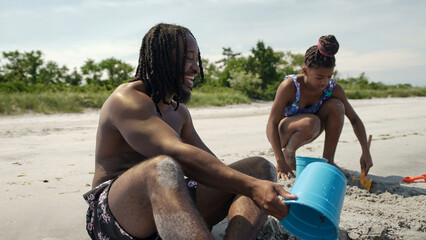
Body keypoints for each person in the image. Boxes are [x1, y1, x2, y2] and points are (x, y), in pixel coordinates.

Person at [83, 23, 297, 240]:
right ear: (161, 59)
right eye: (187, 58)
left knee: (259, 168)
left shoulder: (179, 112)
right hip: (115, 215)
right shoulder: (128, 100)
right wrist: (252, 187)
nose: (195, 67)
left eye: (197, 59)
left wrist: (258, 184)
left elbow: (210, 164)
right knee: (162, 168)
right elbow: (178, 153)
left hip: (170, 215)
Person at [266, 35, 373, 180]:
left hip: (311, 128)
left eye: (329, 76)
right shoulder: (291, 86)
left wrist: (365, 151)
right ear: (305, 71)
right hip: (282, 134)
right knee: (312, 121)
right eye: (319, 77)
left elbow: (354, 119)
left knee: (337, 106)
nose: (325, 82)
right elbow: (271, 123)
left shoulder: (332, 88)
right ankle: (287, 155)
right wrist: (279, 161)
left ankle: (328, 160)